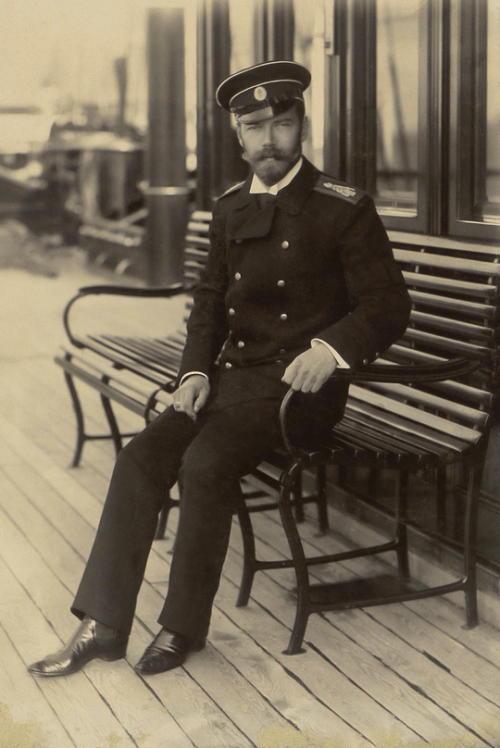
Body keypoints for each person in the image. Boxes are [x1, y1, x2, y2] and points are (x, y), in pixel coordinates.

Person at [28, 61, 411, 678]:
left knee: (204, 463)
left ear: (303, 126)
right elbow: (209, 303)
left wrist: (330, 349)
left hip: (300, 393)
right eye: (254, 127)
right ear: (238, 136)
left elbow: (388, 304)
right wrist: (194, 375)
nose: (269, 140)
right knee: (140, 457)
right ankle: (102, 625)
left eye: (281, 124)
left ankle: (182, 627)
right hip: (232, 384)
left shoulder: (343, 208)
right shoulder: (230, 207)